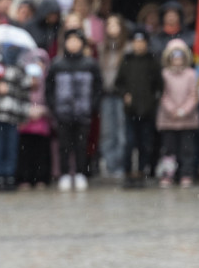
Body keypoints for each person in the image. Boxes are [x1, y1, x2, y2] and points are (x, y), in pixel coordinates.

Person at [47, 29, 102, 191]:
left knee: (81, 144)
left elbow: (98, 87)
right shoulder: (57, 63)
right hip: (62, 111)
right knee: (64, 144)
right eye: (70, 40)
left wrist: (93, 106)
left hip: (84, 112)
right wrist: (54, 106)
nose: (73, 44)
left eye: (76, 40)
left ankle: (80, 173)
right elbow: (49, 88)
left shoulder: (90, 64)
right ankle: (64, 173)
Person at [0, 44, 33, 190]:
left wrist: (24, 114)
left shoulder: (20, 68)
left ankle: (9, 175)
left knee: (11, 147)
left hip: (13, 114)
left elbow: (25, 92)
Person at [116, 28, 163, 188]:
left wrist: (153, 100)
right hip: (130, 111)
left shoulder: (152, 61)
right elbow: (119, 82)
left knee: (145, 143)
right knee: (129, 143)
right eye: (136, 42)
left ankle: (142, 172)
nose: (139, 45)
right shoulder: (127, 60)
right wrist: (125, 94)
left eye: (141, 42)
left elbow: (159, 85)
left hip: (148, 110)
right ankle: (128, 173)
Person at [156, 39, 199, 188]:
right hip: (168, 120)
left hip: (187, 120)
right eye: (174, 55)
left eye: (180, 55)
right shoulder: (164, 74)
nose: (177, 59)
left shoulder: (192, 74)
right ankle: (168, 174)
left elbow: (193, 95)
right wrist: (172, 110)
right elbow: (163, 95)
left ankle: (186, 174)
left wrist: (183, 110)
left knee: (187, 149)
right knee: (169, 150)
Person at [97, 14, 128, 179]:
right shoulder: (102, 48)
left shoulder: (127, 49)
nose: (112, 28)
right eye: (109, 25)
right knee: (108, 132)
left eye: (115, 25)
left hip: (121, 95)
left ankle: (120, 165)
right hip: (106, 95)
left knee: (122, 132)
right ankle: (110, 166)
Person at [17, 50, 53, 188]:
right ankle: (24, 178)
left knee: (41, 152)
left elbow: (52, 99)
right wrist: (27, 110)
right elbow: (18, 98)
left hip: (42, 123)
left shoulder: (48, 81)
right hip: (25, 124)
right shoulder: (23, 81)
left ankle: (41, 178)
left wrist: (43, 110)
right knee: (25, 152)